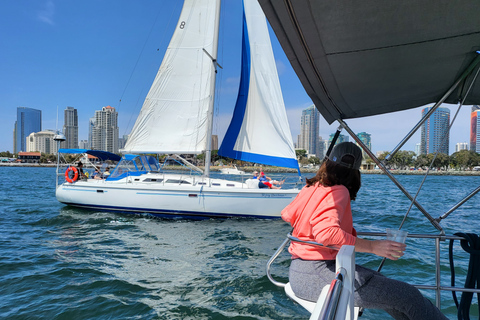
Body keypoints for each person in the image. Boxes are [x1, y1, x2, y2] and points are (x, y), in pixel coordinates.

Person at [281, 142, 447, 320]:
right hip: (317, 273)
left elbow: (287, 214)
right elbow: (327, 234)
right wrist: (373, 247)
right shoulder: (338, 191)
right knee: (410, 296)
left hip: (300, 271)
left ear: (327, 163)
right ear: (355, 171)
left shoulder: (310, 188)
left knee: (396, 297)